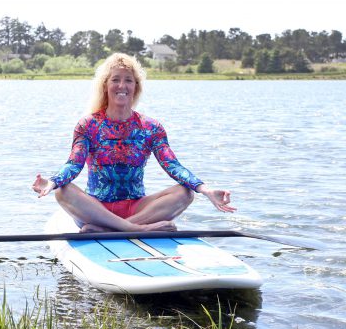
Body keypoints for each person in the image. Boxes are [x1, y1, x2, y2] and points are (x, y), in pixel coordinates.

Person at [32, 52, 236, 232]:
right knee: (63, 190)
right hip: (96, 209)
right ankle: (133, 229)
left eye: (128, 80)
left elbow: (172, 165)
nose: (122, 86)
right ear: (106, 85)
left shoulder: (151, 127)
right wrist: (53, 182)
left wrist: (206, 190)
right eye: (116, 80)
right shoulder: (88, 125)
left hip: (138, 207)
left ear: (135, 87)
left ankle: (110, 229)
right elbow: (74, 164)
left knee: (185, 193)